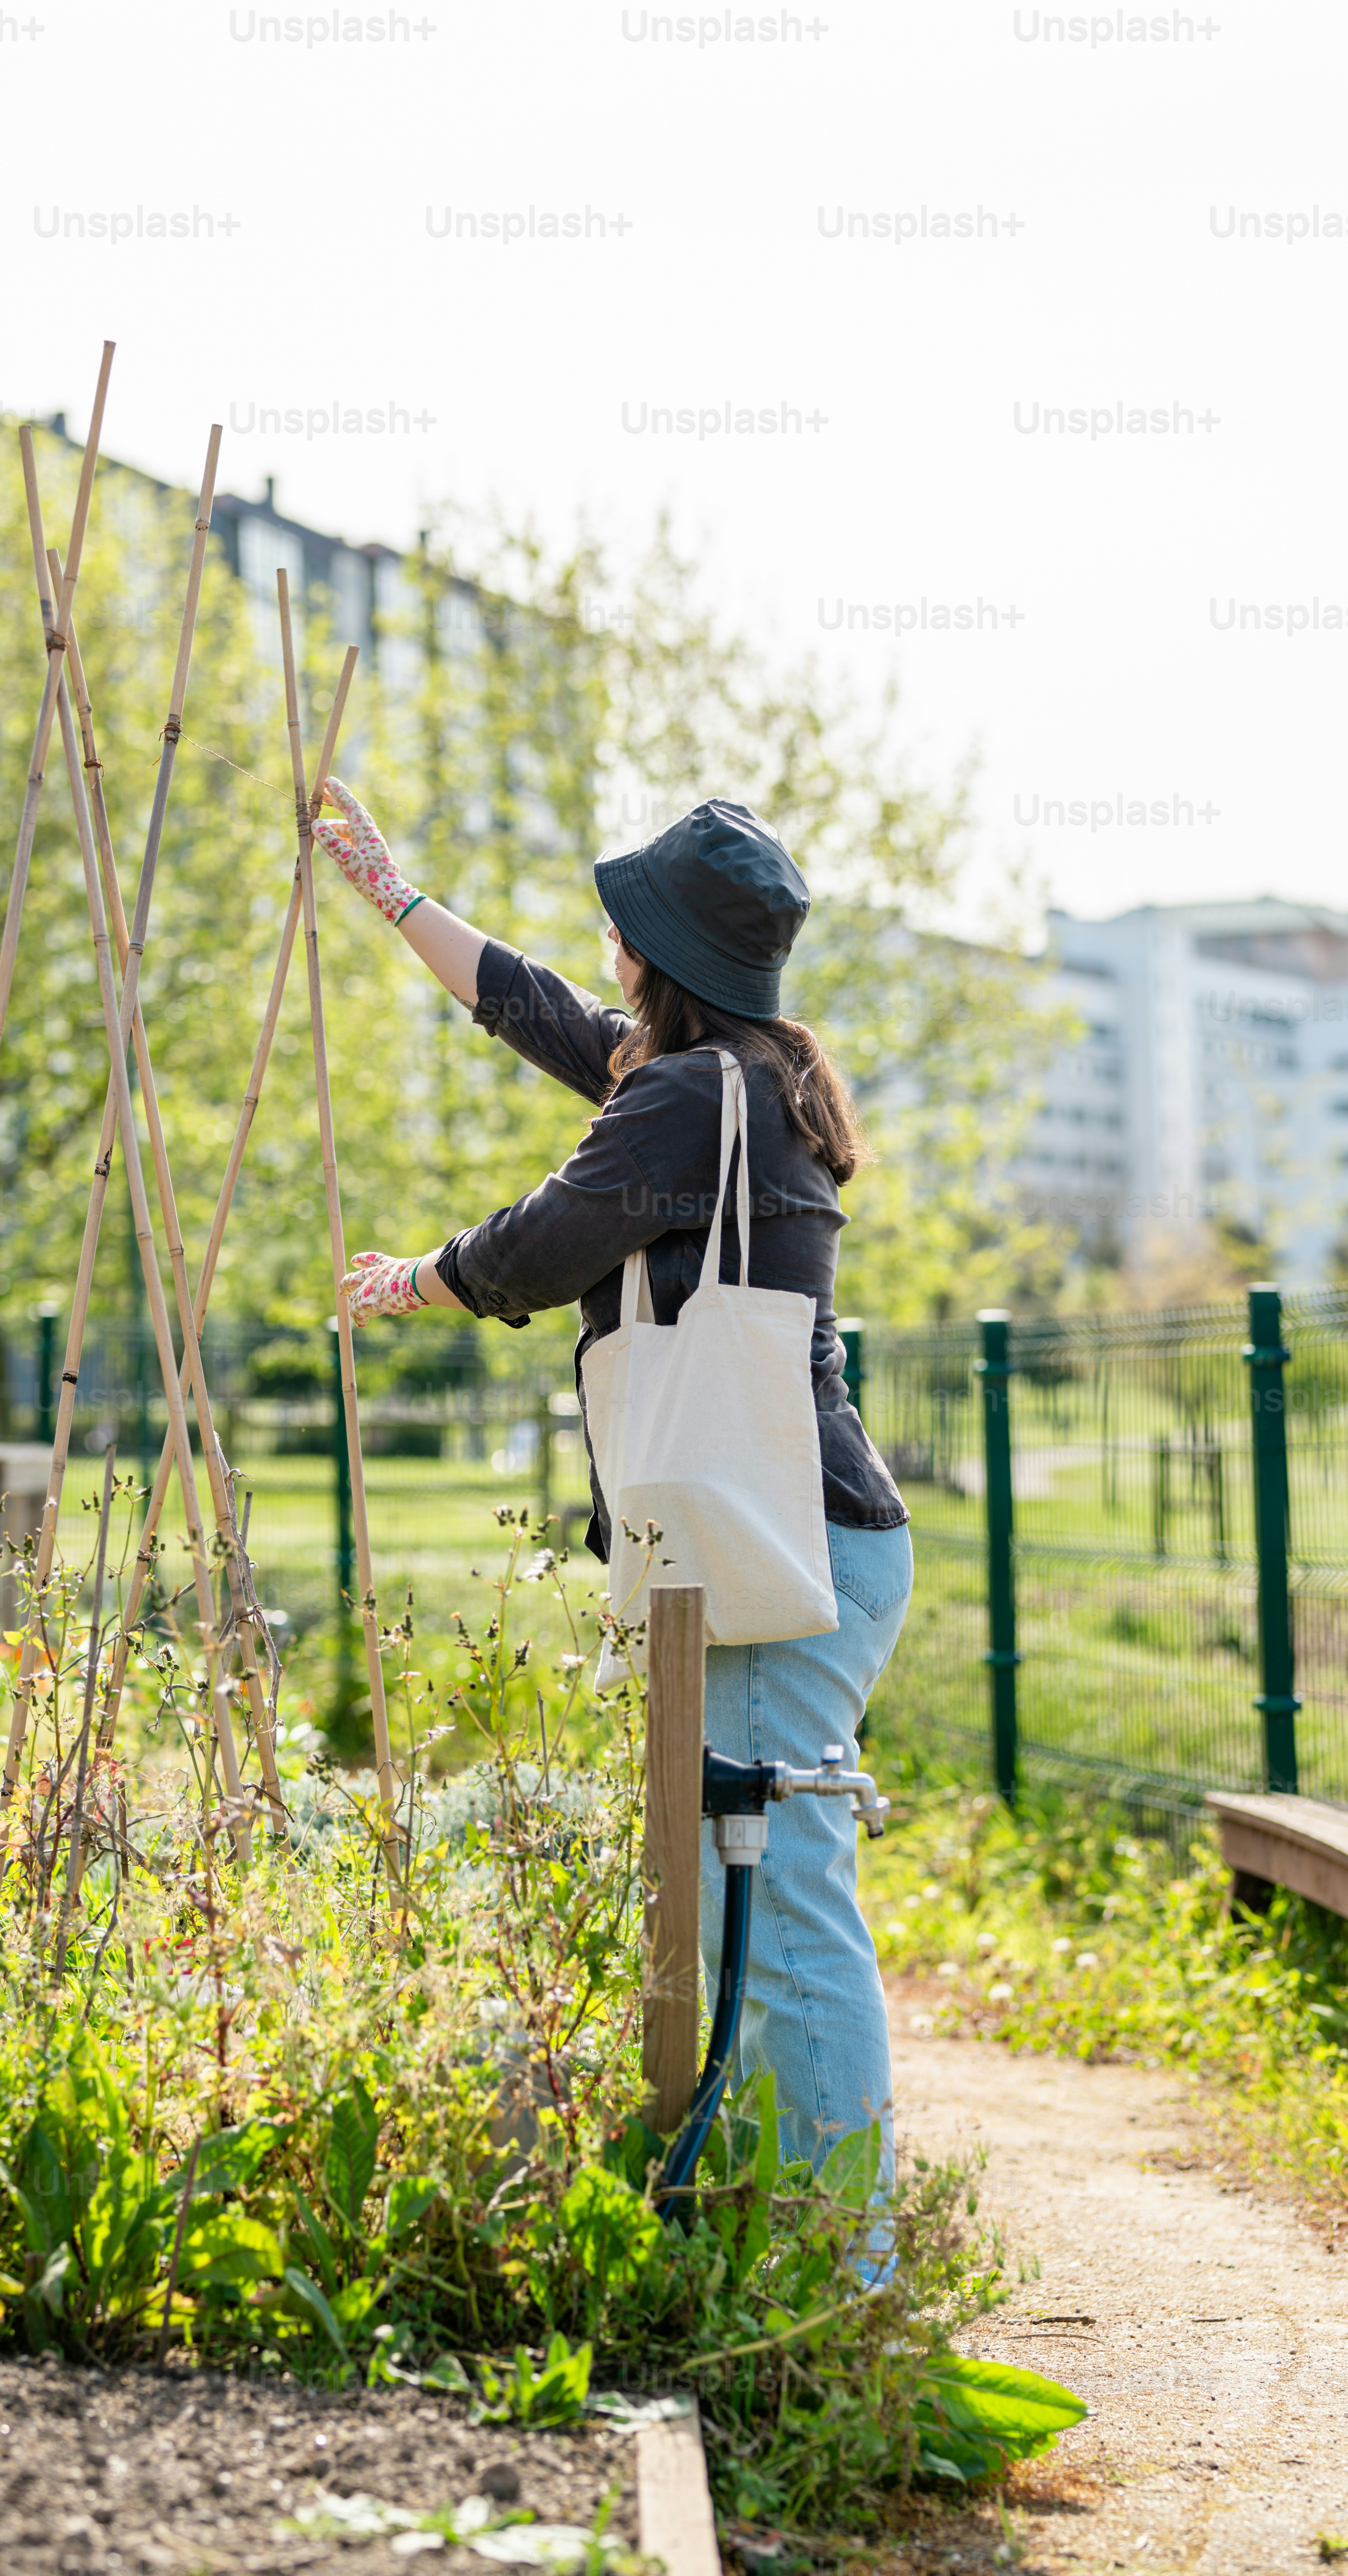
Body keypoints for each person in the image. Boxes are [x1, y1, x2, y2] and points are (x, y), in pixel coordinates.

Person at [316, 781, 911, 2184]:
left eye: (627, 921)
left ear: (670, 955)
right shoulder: (736, 1078)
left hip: (780, 1551)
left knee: (783, 1917)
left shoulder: (690, 1103)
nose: (607, 934)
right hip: (789, 1533)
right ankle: (795, 2219)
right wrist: (394, 896)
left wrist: (423, 1279)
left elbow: (550, 1240)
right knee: (739, 1906)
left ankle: (851, 2261)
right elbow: (551, 1015)